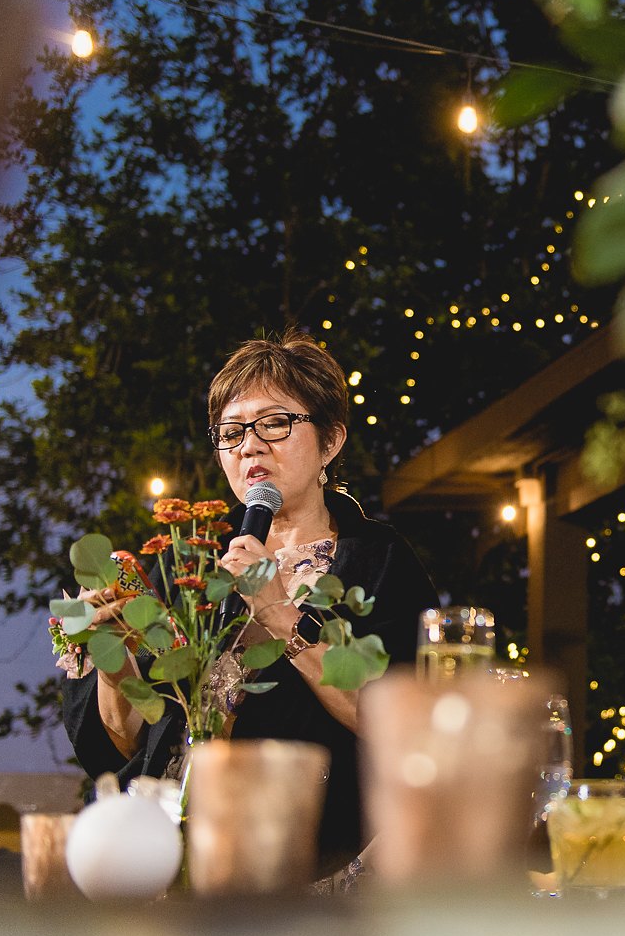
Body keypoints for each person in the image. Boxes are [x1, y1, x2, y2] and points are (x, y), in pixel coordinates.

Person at [61, 333, 437, 877]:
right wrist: (117, 666)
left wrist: (281, 613)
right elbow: (128, 742)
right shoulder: (195, 575)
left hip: (310, 858)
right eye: (232, 432)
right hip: (173, 860)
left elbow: (401, 723)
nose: (249, 446)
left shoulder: (379, 563)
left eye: (275, 424)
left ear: (330, 442)